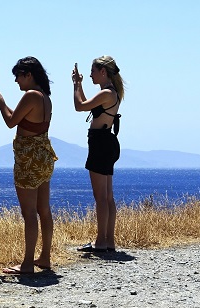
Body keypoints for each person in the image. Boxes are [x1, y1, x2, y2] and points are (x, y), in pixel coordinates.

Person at [0, 56, 57, 274]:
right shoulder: (45, 97)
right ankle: (44, 257)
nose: (17, 81)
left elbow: (11, 121)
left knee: (29, 212)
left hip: (29, 159)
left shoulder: (31, 96)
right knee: (43, 209)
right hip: (43, 156)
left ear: (28, 75)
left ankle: (27, 263)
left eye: (18, 76)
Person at [71, 55, 125, 252]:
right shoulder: (111, 93)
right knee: (108, 196)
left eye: (93, 71)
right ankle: (108, 241)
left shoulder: (107, 93)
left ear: (103, 72)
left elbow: (79, 106)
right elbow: (86, 102)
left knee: (101, 197)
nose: (91, 75)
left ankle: (101, 242)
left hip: (100, 143)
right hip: (107, 141)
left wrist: (76, 84)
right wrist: (80, 85)